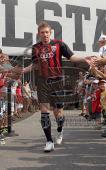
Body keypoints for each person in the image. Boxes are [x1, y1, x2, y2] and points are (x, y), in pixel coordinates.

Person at [23, 21, 90, 152]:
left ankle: (60, 129)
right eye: (42, 33)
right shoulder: (35, 47)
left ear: (50, 32)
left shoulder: (59, 44)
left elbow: (73, 57)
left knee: (58, 112)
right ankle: (49, 141)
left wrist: (84, 59)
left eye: (47, 32)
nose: (45, 35)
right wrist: (24, 70)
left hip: (57, 81)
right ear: (39, 34)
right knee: (44, 111)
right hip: (42, 82)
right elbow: (35, 65)